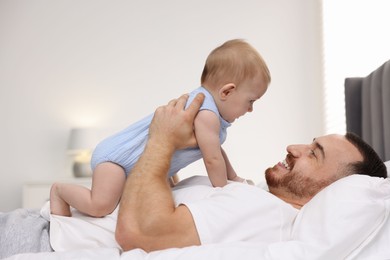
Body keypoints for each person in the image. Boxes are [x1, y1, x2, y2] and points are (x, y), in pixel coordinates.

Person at [115, 93, 387, 252]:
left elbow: (141, 233)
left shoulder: (266, 210)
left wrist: (161, 140)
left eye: (314, 154)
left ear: (331, 189)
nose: (293, 147)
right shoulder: (255, 195)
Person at [50, 39, 271, 217]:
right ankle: (60, 191)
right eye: (250, 101)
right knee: (101, 205)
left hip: (138, 165)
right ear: (227, 92)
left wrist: (234, 177)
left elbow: (216, 152)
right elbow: (212, 159)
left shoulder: (211, 115)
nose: (250, 109)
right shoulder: (206, 114)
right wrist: (224, 190)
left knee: (158, 198)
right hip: (117, 159)